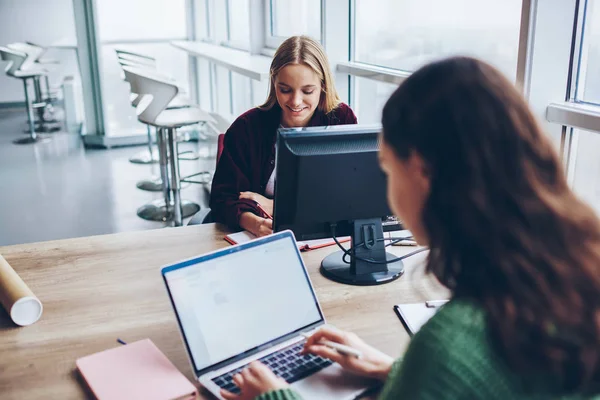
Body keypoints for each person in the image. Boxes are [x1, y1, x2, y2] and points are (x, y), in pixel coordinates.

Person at [220, 56, 600, 399]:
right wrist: (396, 371)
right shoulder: (579, 274)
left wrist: (275, 397)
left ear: (421, 172)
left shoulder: (451, 346)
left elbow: (463, 371)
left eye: (385, 166)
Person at [210, 36, 357, 237]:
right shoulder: (246, 128)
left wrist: (273, 205)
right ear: (274, 83)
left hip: (324, 238)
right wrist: (255, 223)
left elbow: (348, 194)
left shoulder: (341, 119)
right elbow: (222, 199)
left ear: (323, 86)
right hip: (262, 237)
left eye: (307, 91)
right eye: (285, 90)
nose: (296, 102)